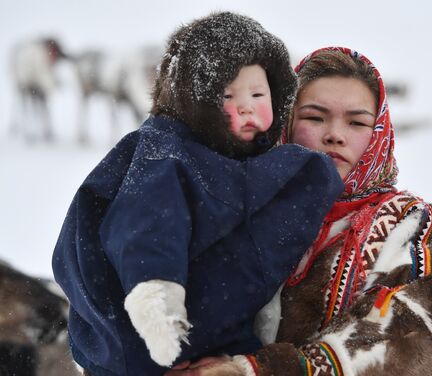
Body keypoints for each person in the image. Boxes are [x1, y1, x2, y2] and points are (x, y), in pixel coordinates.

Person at [51, 14, 344, 376]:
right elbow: (149, 223)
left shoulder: (262, 163)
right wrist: (157, 298)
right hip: (143, 332)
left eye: (258, 93)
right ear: (196, 100)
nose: (247, 106)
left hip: (217, 337)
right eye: (227, 95)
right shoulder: (167, 153)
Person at [172, 47, 432, 376]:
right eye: (314, 117)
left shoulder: (415, 228)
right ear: (286, 124)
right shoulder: (240, 216)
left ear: (379, 134)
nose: (334, 134)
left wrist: (263, 369)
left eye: (357, 122)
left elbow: (412, 341)